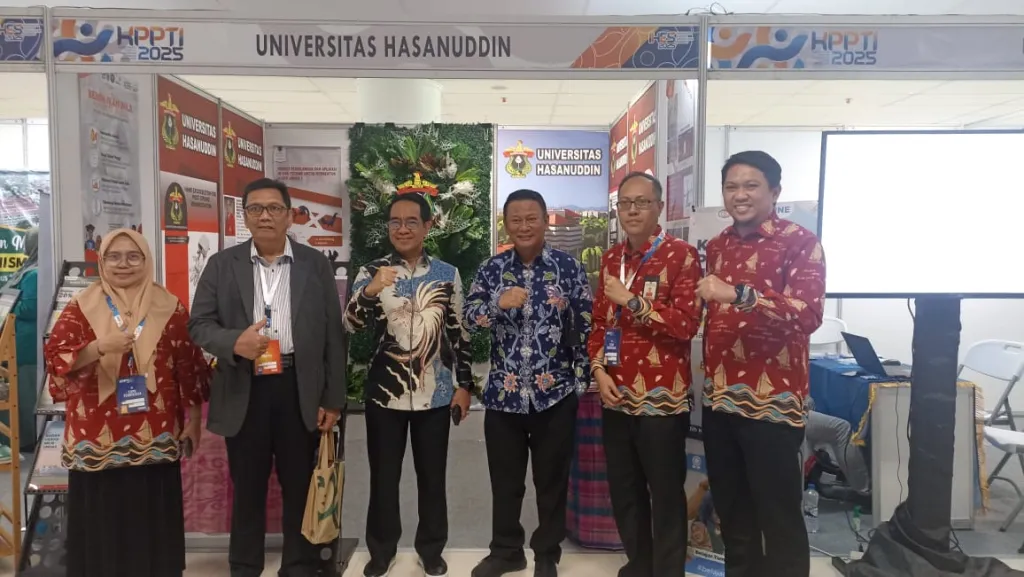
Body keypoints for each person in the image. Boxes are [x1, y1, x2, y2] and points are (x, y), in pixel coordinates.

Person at [189, 178, 346, 577]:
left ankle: (298, 566)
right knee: (247, 488)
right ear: (245, 216)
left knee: (299, 485)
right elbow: (199, 324)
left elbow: (333, 335)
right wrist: (233, 342)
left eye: (274, 208)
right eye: (255, 209)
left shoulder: (314, 264)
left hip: (298, 388)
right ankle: (244, 567)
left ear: (289, 215)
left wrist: (333, 399)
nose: (265, 216)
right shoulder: (222, 265)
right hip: (245, 386)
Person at [43, 228, 209, 577]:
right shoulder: (81, 307)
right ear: (101, 261)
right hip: (95, 437)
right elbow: (56, 358)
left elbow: (189, 368)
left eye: (133, 256)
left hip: (156, 434)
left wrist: (193, 421)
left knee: (151, 518)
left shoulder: (170, 306)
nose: (123, 264)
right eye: (114, 257)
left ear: (146, 260)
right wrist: (98, 348)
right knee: (102, 521)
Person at [698, 150, 826, 577]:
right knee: (732, 515)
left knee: (779, 516)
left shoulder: (799, 242)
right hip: (719, 400)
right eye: (731, 186)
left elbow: (808, 314)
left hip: (772, 404)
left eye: (751, 185)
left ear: (775, 191)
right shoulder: (717, 246)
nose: (740, 195)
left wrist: (740, 294)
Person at [464, 189, 593, 577]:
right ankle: (506, 551)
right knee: (506, 482)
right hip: (503, 396)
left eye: (531, 218)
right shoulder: (491, 269)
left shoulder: (568, 268)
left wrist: (581, 383)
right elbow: (468, 318)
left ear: (545, 221)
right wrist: (497, 304)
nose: (524, 226)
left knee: (551, 481)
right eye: (515, 220)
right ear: (506, 224)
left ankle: (547, 554)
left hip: (555, 394)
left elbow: (586, 324)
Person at [345, 192, 474, 577]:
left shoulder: (447, 274)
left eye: (411, 221)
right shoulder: (372, 271)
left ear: (427, 226)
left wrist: (464, 385)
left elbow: (460, 333)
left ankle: (431, 550)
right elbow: (350, 324)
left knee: (432, 479)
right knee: (383, 478)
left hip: (435, 395)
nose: (402, 229)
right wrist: (370, 291)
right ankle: (381, 551)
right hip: (385, 395)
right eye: (395, 222)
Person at [588, 172, 702, 577]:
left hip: (662, 400)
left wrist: (633, 301)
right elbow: (599, 324)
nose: (632, 211)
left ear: (659, 207)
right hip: (616, 394)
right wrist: (598, 371)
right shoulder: (611, 259)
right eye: (625, 203)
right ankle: (639, 565)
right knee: (625, 491)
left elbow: (686, 324)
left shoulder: (682, 256)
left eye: (642, 202)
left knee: (666, 493)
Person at [1, 227, 39, 457]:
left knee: (24, 394)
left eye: (28, 240)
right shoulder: (27, 269)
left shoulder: (35, 274)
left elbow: (31, 307)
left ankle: (25, 440)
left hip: (25, 345)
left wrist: (6, 305)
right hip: (14, 341)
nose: (25, 244)